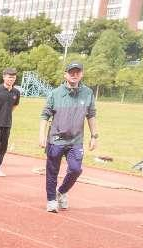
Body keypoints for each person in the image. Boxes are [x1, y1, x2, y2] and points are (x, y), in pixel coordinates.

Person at [39, 62, 99, 213]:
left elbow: (91, 115)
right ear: (65, 75)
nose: (74, 75)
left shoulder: (88, 93)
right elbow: (45, 115)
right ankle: (51, 200)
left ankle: (61, 191)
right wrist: (41, 134)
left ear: (82, 74)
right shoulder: (55, 93)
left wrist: (94, 136)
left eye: (77, 72)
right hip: (56, 140)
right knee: (52, 171)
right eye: (71, 72)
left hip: (75, 141)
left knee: (75, 169)